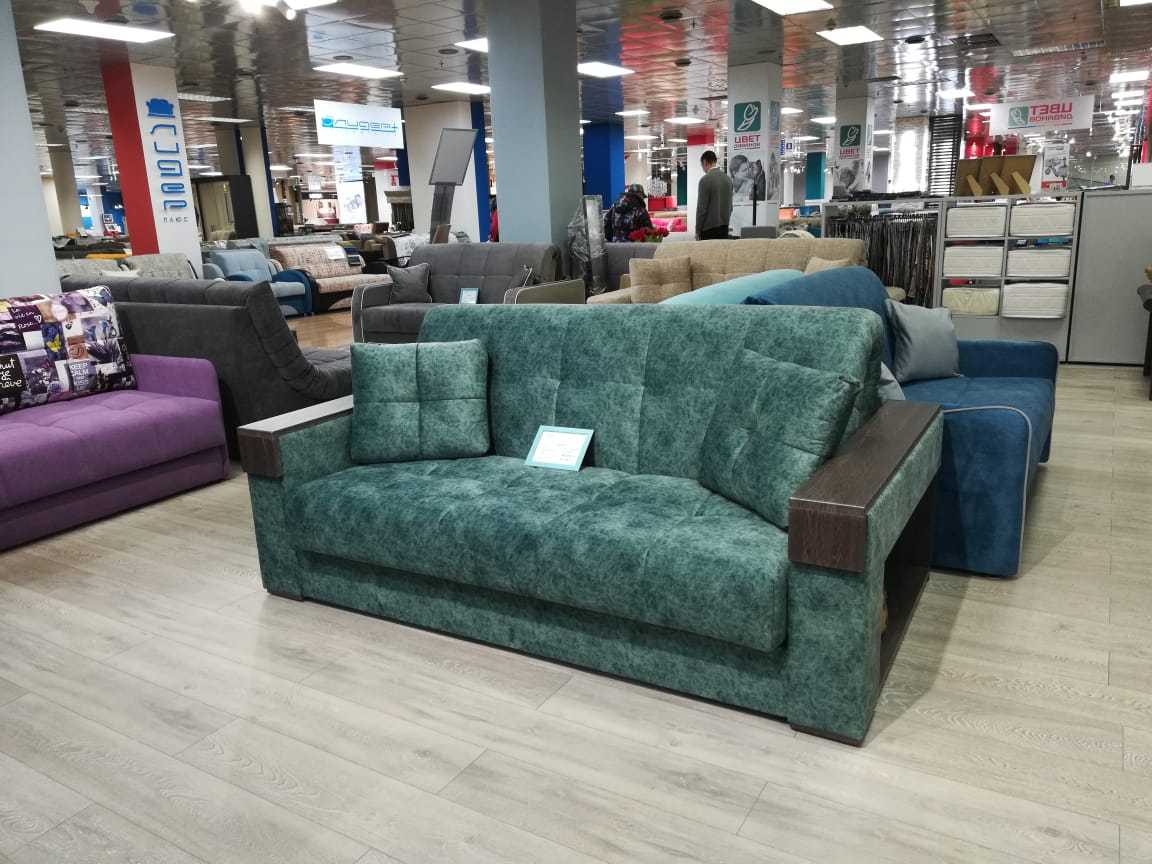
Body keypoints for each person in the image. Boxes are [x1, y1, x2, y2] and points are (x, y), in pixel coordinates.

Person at [697, 150, 733, 240]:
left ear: (705, 162)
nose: (703, 169)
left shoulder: (705, 180)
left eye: (702, 166)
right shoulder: (728, 179)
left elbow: (702, 209)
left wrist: (698, 230)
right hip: (724, 227)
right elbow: (730, 207)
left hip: (708, 230)